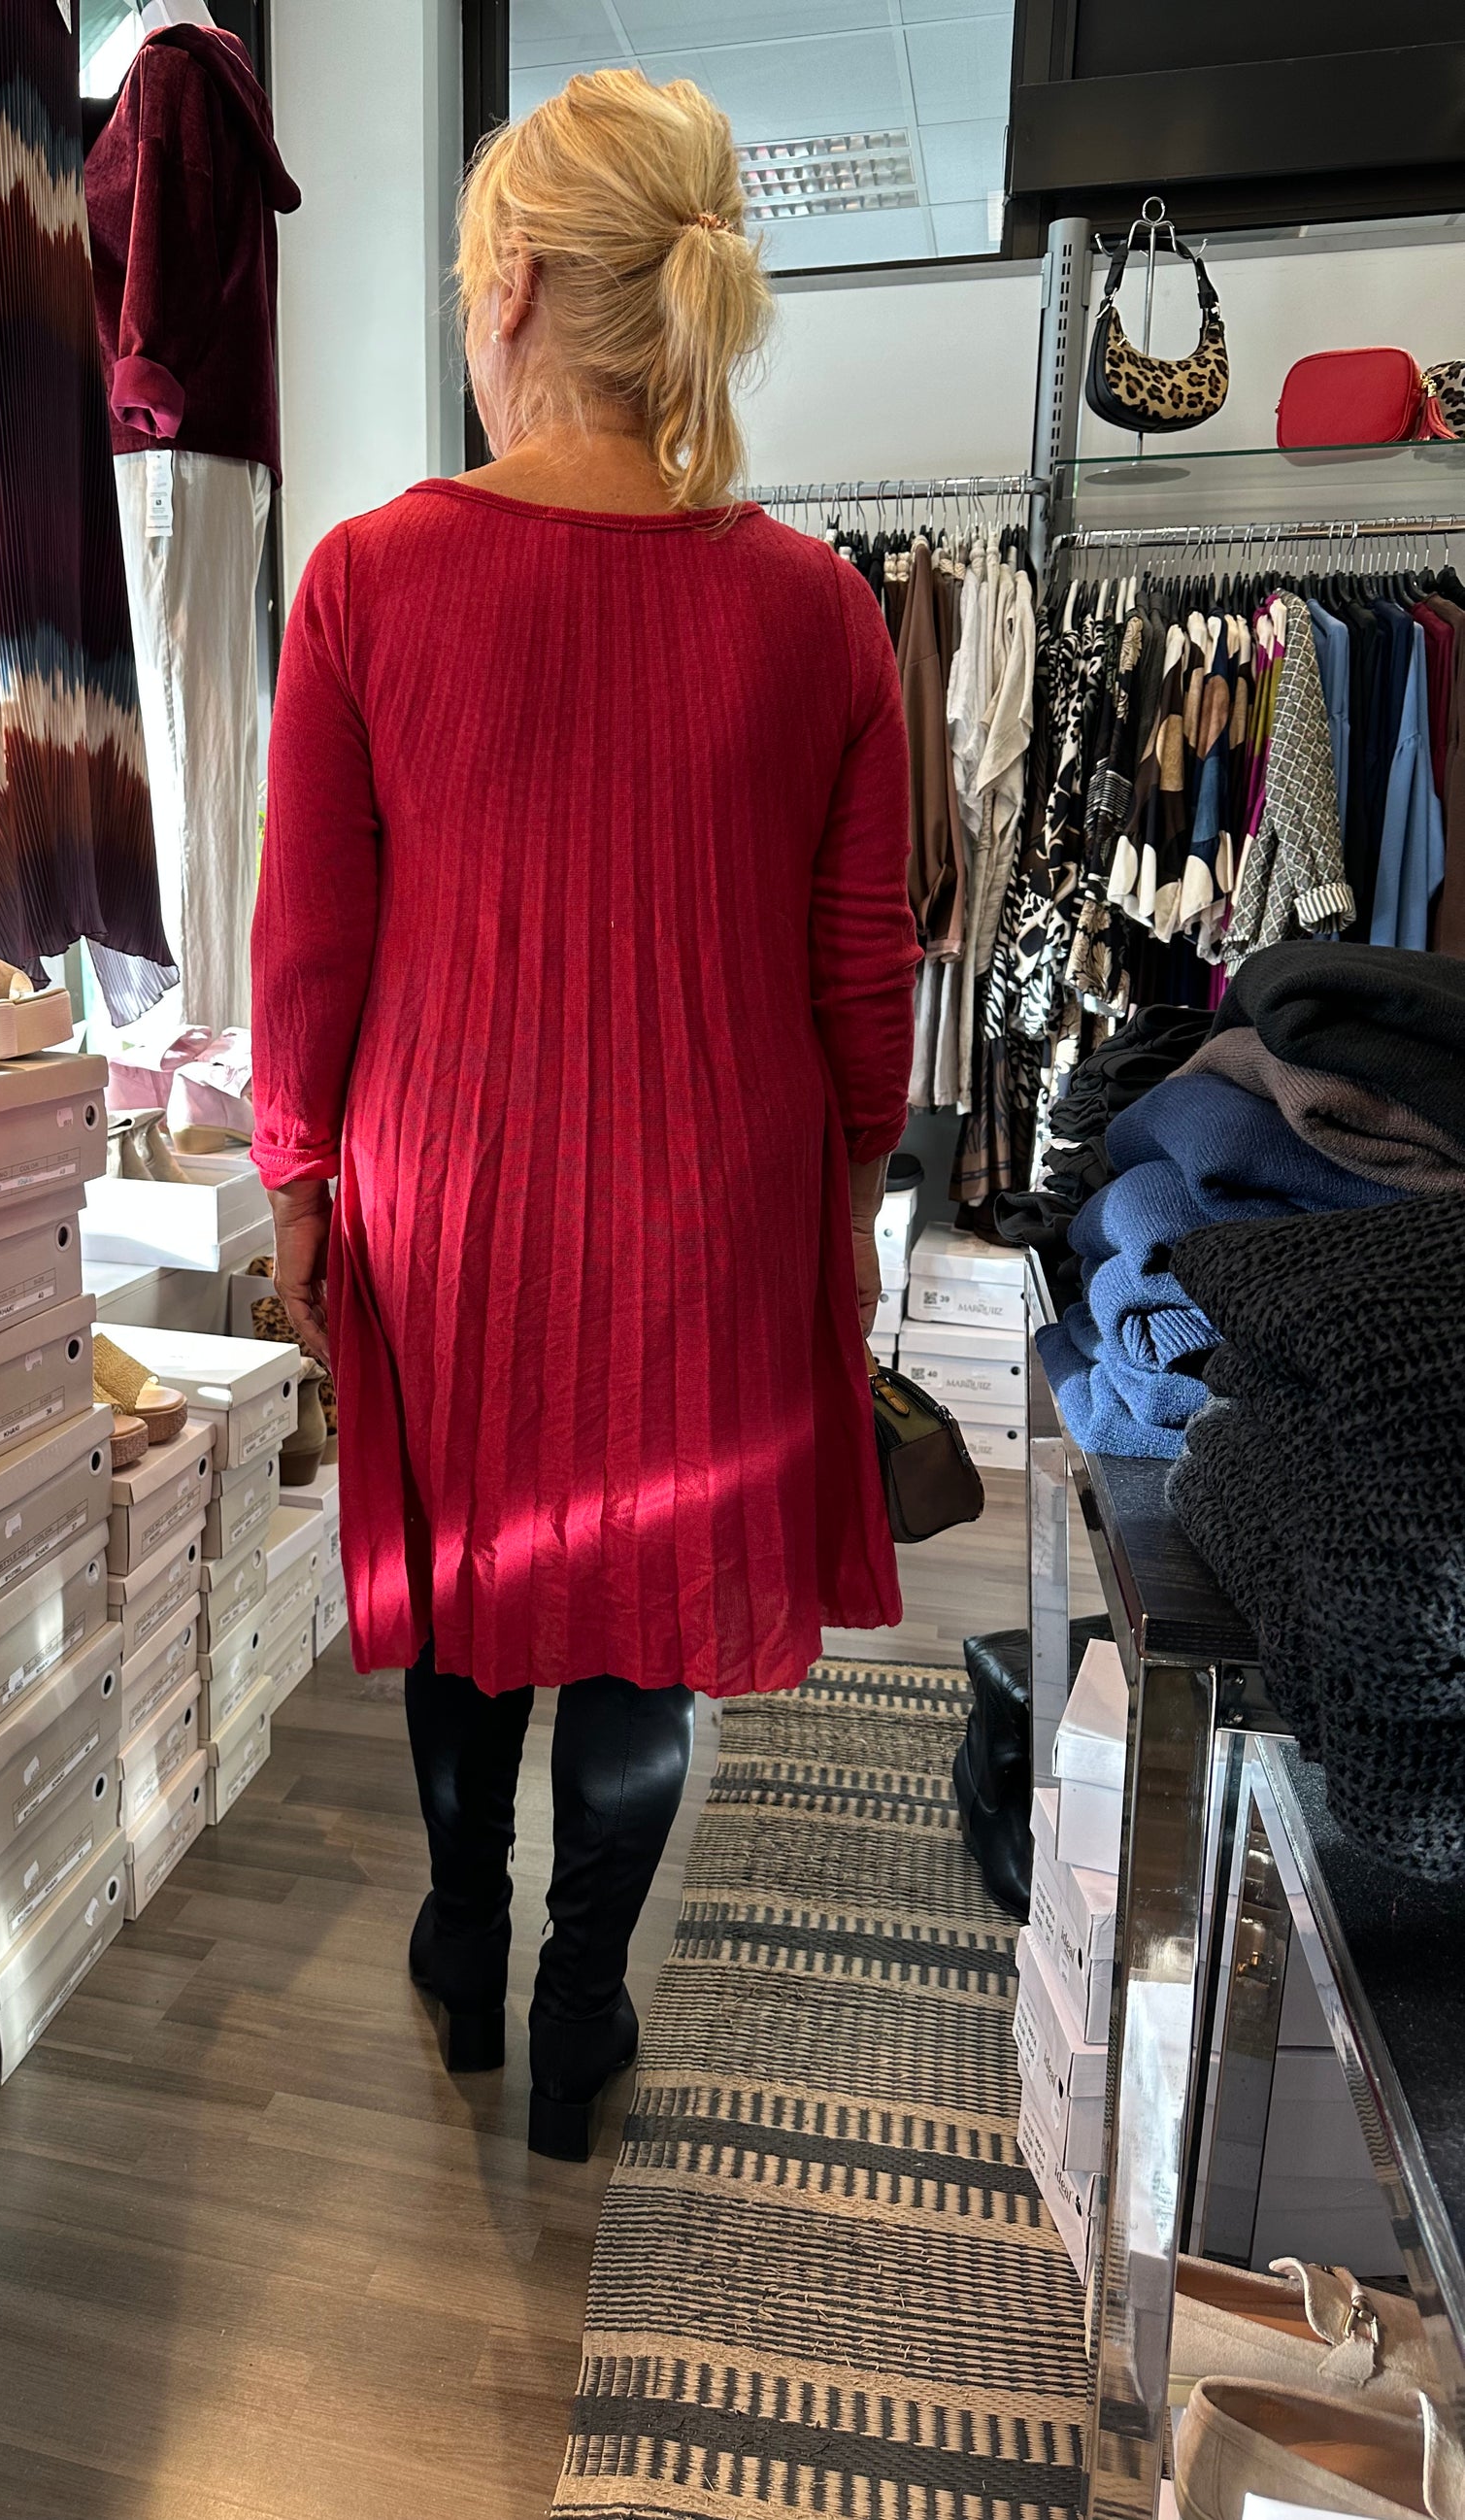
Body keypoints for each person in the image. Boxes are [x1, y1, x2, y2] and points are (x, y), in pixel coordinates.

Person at [250, 68, 918, 2160]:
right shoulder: (818, 611)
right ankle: (580, 1999)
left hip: (452, 1191)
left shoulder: (364, 581)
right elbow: (865, 981)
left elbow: (309, 948)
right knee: (642, 1618)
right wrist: (843, 1188)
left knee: (478, 1596)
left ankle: (462, 1939)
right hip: (710, 1197)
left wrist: (297, 1182)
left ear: (514, 285)